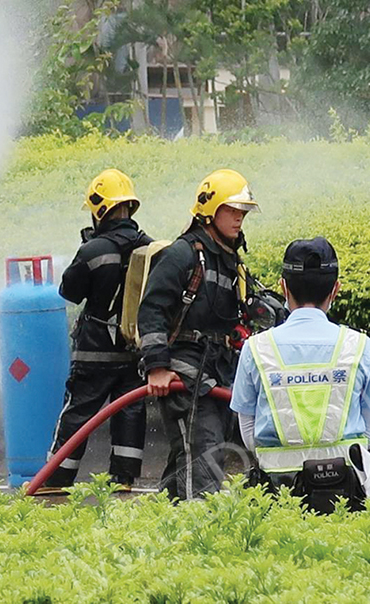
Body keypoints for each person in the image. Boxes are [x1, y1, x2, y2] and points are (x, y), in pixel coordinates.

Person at [231, 237, 370, 510]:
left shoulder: (256, 348)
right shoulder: (360, 346)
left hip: (277, 495)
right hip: (347, 496)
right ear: (336, 289)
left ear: (283, 287)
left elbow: (248, 435)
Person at [138, 168, 260, 500]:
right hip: (186, 373)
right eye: (231, 210)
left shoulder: (228, 259)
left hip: (217, 372)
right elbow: (151, 310)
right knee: (204, 452)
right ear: (210, 210)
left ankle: (165, 517)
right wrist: (157, 367)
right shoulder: (183, 254)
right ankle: (200, 524)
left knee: (190, 453)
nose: (239, 218)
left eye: (243, 211)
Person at [37, 169, 152, 494]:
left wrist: (86, 248)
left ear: (99, 210)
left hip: (94, 352)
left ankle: (56, 479)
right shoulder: (151, 247)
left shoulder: (93, 251)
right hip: (135, 350)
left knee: (78, 412)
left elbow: (69, 291)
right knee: (130, 410)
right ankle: (123, 479)